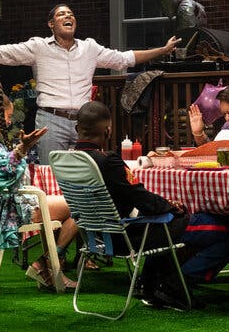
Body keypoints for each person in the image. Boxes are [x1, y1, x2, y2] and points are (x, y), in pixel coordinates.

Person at [0, 4, 181, 164]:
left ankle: (85, 250)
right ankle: (49, 252)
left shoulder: (90, 48)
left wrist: (162, 49)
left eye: (71, 14)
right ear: (51, 24)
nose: (68, 16)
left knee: (86, 178)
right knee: (50, 178)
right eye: (61, 14)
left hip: (84, 124)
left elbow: (126, 58)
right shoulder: (37, 47)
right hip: (50, 121)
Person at [0, 80, 78, 290]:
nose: (9, 123)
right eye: (8, 117)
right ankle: (46, 264)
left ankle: (45, 265)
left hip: (9, 204)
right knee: (80, 206)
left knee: (64, 205)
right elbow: (0, 171)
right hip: (13, 210)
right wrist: (23, 148)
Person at [73, 101, 191, 309]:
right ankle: (162, 284)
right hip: (121, 239)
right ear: (108, 132)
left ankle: (151, 282)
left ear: (77, 129)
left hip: (92, 237)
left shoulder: (67, 160)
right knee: (178, 218)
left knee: (158, 218)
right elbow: (140, 198)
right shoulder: (109, 161)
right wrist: (171, 206)